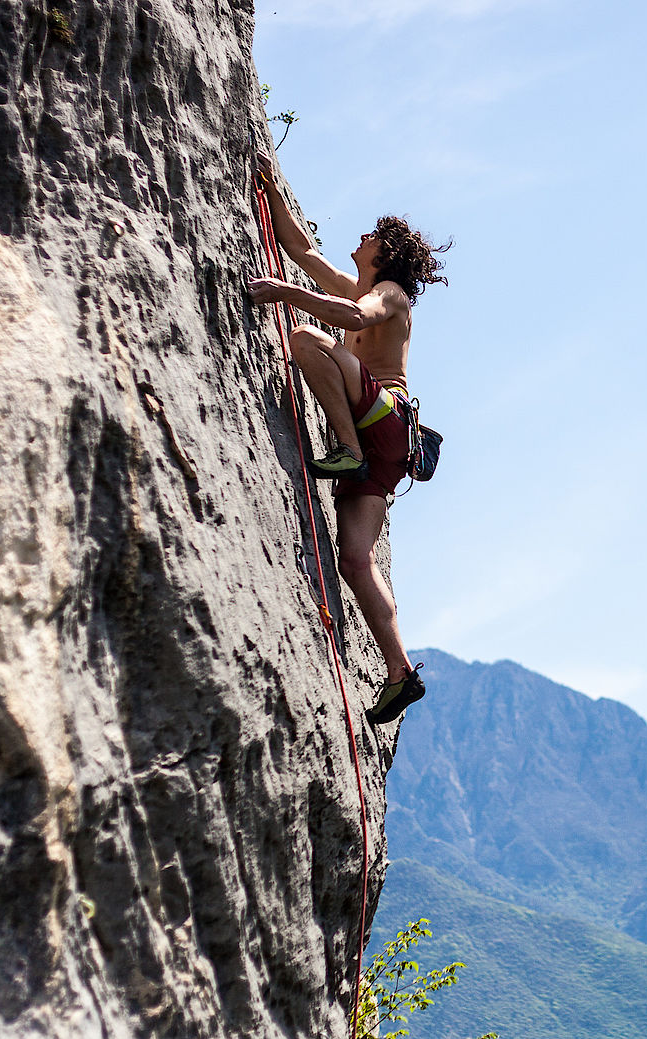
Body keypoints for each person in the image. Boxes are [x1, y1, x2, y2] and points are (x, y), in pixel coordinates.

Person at [248, 151, 448, 725]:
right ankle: (399, 671)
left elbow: (353, 319)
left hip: (379, 420)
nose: (360, 237)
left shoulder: (388, 293)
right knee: (356, 560)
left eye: (371, 236)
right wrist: (274, 194)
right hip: (391, 449)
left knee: (308, 339)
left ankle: (347, 449)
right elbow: (304, 253)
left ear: (386, 255)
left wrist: (285, 296)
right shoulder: (358, 284)